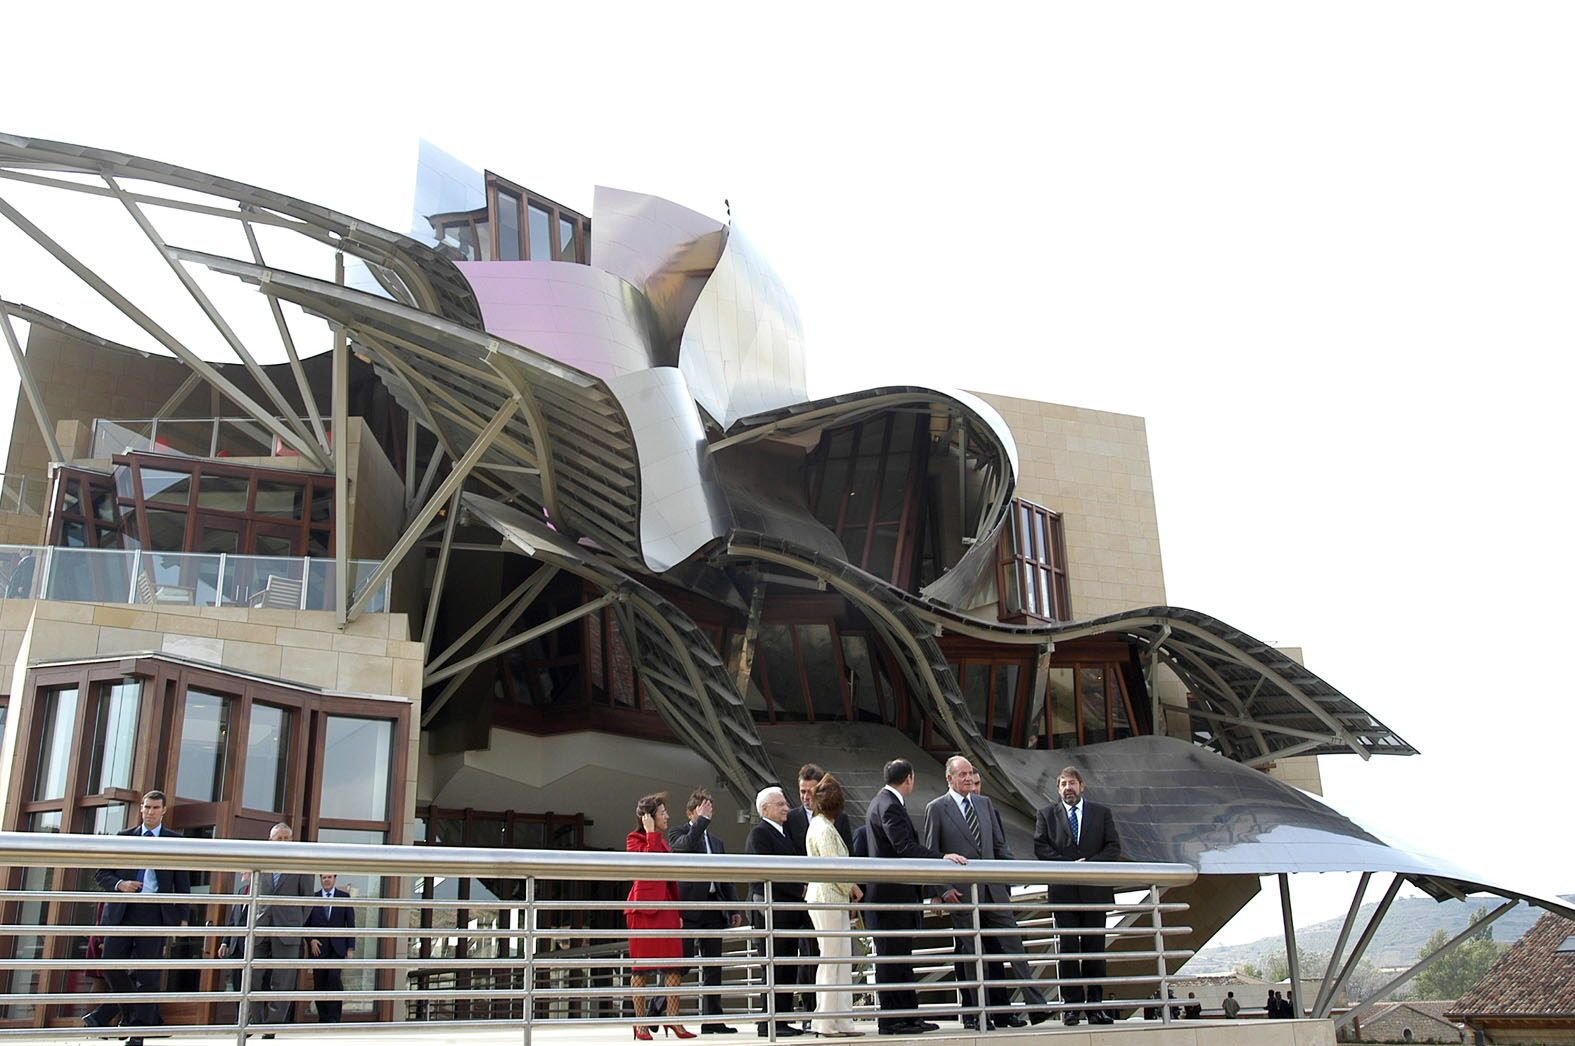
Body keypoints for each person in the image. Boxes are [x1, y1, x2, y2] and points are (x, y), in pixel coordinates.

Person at [922, 755, 1050, 1030]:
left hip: (994, 890)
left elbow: (999, 846)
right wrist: (944, 890)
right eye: (963, 774)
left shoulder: (984, 803)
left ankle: (1036, 1006)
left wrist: (1013, 874)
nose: (968, 778)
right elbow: (932, 853)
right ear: (950, 778)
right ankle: (979, 1013)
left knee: (1014, 945)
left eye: (970, 773)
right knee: (972, 954)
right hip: (963, 894)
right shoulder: (937, 808)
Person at [864, 759, 967, 1037]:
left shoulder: (884, 802)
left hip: (894, 895)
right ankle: (891, 1020)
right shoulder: (888, 805)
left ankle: (909, 1017)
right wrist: (940, 857)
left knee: (900, 958)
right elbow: (903, 847)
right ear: (909, 778)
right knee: (892, 960)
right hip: (890, 897)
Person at [84, 790, 191, 1045]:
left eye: (155, 808)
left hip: (155, 911)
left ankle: (137, 1031)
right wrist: (120, 884)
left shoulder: (175, 840)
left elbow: (183, 883)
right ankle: (129, 1014)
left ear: (164, 810)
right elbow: (102, 873)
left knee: (148, 974)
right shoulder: (124, 837)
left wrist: (183, 917)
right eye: (146, 807)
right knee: (111, 965)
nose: (150, 812)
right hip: (122, 911)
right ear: (140, 809)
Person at [1032, 766, 1121, 1027]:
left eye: (1072, 783)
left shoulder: (1101, 813)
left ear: (1082, 786)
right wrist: (1068, 865)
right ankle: (1071, 1008)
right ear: (1058, 789)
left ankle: (1095, 1007)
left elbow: (1113, 846)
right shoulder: (1046, 814)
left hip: (1095, 891)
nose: (1067, 788)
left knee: (1094, 951)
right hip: (1064, 892)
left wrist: (1089, 865)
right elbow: (1040, 846)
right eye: (1063, 784)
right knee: (1068, 950)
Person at [667, 787, 742, 1035]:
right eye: (703, 808)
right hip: (689, 910)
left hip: (713, 908)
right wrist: (700, 822)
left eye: (711, 808)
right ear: (691, 812)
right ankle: (659, 1010)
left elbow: (725, 875)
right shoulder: (679, 832)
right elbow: (684, 847)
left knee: (713, 967)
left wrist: (732, 906)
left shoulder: (717, 842)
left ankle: (713, 1021)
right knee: (682, 964)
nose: (709, 812)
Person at [626, 794, 696, 1041]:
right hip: (643, 910)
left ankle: (673, 1018)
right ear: (649, 817)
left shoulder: (665, 842)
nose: (667, 816)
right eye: (663, 812)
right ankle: (640, 1023)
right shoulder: (634, 839)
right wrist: (649, 833)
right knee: (640, 968)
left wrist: (677, 911)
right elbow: (648, 866)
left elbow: (668, 880)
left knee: (673, 966)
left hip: (666, 908)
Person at [744, 786, 808, 1038]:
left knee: (786, 965)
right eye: (780, 804)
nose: (786, 808)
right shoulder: (759, 834)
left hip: (786, 912)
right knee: (773, 966)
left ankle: (781, 1018)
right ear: (765, 809)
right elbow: (768, 871)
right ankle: (768, 1021)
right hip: (769, 912)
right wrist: (800, 889)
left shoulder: (783, 833)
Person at [803, 774, 864, 1038]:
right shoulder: (825, 828)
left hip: (828, 897)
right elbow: (834, 869)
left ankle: (835, 1019)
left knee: (836, 960)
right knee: (833, 960)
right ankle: (829, 1020)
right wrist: (852, 886)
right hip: (828, 898)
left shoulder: (819, 825)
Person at [252, 823, 316, 1033]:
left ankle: (273, 1025)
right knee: (253, 976)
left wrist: (294, 921)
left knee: (283, 979)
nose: (283, 842)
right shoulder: (260, 862)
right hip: (261, 927)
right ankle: (254, 1022)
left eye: (287, 838)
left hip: (288, 929)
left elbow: (307, 901)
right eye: (279, 838)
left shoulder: (301, 864)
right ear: (270, 841)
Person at [305, 873, 354, 1023]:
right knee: (320, 982)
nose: (326, 880)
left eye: (329, 877)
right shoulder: (314, 898)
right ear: (321, 880)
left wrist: (350, 947)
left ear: (334, 879)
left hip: (337, 948)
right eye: (324, 878)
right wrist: (311, 940)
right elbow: (306, 923)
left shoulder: (344, 897)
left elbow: (350, 923)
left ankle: (334, 1017)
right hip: (318, 949)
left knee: (334, 979)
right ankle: (323, 1018)